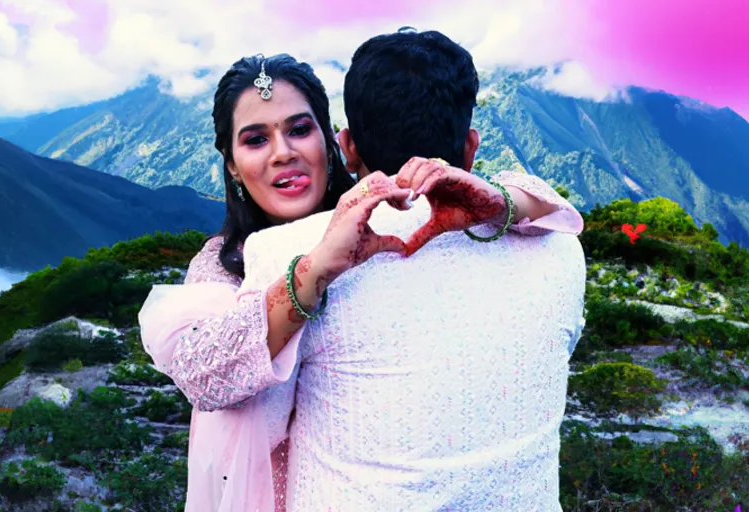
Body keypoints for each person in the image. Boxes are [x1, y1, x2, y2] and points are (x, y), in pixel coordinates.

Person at [139, 50, 583, 511]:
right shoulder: (227, 261)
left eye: (299, 130)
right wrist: (315, 271)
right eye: (255, 140)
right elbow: (202, 377)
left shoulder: (383, 229)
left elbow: (554, 212)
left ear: (338, 145)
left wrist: (504, 201)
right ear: (231, 163)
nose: (283, 153)